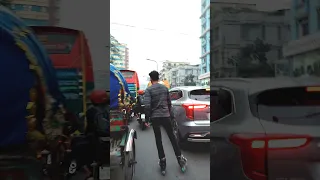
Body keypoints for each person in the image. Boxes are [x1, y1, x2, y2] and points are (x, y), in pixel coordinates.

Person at [144, 70, 187, 175]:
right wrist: (171, 117)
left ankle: (163, 164)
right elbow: (169, 104)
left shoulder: (148, 90)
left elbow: (147, 106)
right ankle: (180, 160)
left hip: (155, 118)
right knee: (172, 137)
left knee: (158, 140)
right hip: (166, 116)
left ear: (151, 79)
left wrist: (146, 119)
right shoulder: (164, 88)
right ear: (158, 78)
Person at [82, 90, 110, 179]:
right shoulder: (110, 108)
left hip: (97, 142)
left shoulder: (91, 111)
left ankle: (89, 170)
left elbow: (89, 129)